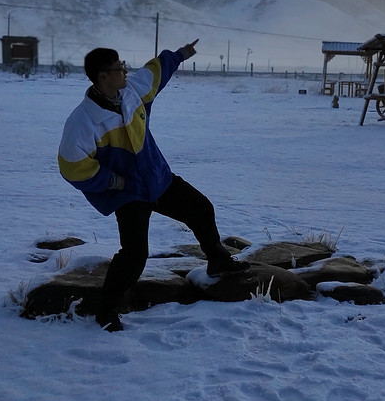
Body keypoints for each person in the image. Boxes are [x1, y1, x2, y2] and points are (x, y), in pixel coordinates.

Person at [58, 40, 248, 331]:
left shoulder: (132, 91)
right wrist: (113, 180)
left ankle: (219, 262)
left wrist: (182, 53)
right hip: (128, 193)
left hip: (157, 179)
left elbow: (157, 70)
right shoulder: (83, 122)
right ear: (102, 77)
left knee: (200, 209)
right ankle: (106, 311)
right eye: (118, 68)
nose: (125, 70)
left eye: (123, 66)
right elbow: (71, 166)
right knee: (134, 256)